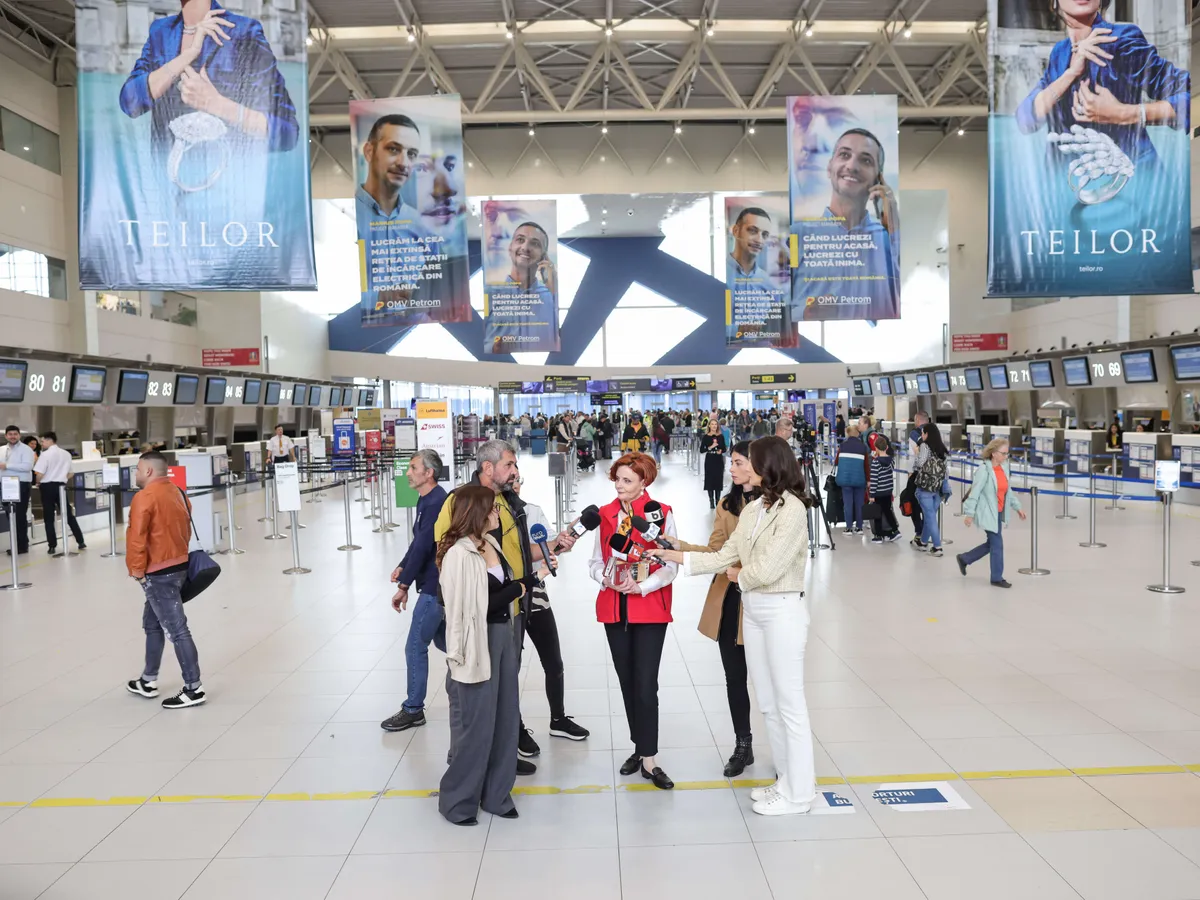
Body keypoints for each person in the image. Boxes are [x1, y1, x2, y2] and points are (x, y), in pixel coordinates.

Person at [649, 437, 814, 817]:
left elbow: (768, 569)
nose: (736, 469)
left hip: (782, 611)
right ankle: (786, 781)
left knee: (790, 705)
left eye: (745, 462)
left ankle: (801, 793)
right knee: (770, 705)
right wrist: (672, 554)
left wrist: (739, 573)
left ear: (767, 466)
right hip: (754, 611)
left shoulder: (792, 510)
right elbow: (725, 554)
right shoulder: (756, 508)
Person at [435, 440, 576, 776]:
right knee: (473, 691)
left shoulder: (507, 502)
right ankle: (465, 762)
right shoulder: (460, 501)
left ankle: (504, 753)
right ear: (488, 468)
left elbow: (518, 550)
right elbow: (446, 553)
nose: (516, 472)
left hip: (511, 607)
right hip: (478, 613)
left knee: (504, 686)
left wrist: (554, 546)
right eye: (510, 465)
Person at [438, 485, 547, 826]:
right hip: (476, 642)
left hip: (503, 634)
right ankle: (457, 801)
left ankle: (497, 794)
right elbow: (479, 604)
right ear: (476, 513)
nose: (497, 514)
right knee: (476, 727)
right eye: (492, 510)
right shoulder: (458, 554)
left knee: (504, 720)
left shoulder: (492, 544)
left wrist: (529, 578)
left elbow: (500, 588)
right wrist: (526, 585)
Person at [664, 441, 757, 776]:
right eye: (730, 461)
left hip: (763, 601)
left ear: (756, 465)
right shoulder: (727, 504)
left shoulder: (778, 505)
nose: (730, 468)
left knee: (769, 679)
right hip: (731, 600)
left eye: (737, 462)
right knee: (735, 677)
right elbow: (716, 551)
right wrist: (679, 547)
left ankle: (788, 753)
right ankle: (743, 744)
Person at [588, 452, 679, 790]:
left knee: (645, 683)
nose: (619, 485)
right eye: (617, 479)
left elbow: (671, 566)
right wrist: (605, 579)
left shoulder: (661, 515)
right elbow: (595, 562)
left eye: (627, 480)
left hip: (650, 607)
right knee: (627, 681)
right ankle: (639, 748)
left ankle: (650, 759)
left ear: (645, 482)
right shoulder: (605, 515)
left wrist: (641, 587)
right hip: (614, 607)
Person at [1016, 0, 1189, 166]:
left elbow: (1187, 94)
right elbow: (1025, 120)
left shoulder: (1121, 40)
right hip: (1066, 184)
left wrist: (1123, 113)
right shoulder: (1059, 53)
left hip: (1130, 180)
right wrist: (1070, 74)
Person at [119, 0, 299, 153]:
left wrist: (216, 104)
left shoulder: (243, 31)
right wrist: (188, 55)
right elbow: (130, 103)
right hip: (167, 184)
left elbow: (287, 133)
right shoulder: (160, 31)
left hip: (225, 184)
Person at [511, 466, 590, 750]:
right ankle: (516, 729)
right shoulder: (490, 514)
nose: (515, 483)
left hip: (537, 595)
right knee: (511, 668)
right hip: (507, 600)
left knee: (553, 663)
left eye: (518, 478)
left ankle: (558, 719)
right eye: (510, 476)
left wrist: (563, 541)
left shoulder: (532, 511)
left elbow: (551, 546)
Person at [789, 127, 900, 322]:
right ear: (829, 168)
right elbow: (772, 310)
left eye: (866, 160)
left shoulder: (887, 241)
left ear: (878, 178)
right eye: (844, 155)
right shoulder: (796, 236)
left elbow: (899, 299)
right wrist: (804, 313)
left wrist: (893, 224)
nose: (852, 165)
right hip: (812, 342)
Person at [125, 451, 205, 709]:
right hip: (180, 566)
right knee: (152, 622)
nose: (136, 474)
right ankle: (148, 680)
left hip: (158, 573)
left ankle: (194, 688)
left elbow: (136, 537)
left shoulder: (144, 497)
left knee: (177, 629)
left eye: (137, 469)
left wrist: (137, 570)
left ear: (148, 471)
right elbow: (186, 529)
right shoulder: (178, 492)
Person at [381, 450, 449, 733]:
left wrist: (405, 585)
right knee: (449, 644)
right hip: (436, 585)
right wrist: (403, 566)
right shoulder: (428, 499)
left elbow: (424, 547)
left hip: (435, 587)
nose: (408, 472)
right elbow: (418, 542)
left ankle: (413, 709)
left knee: (414, 647)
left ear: (428, 473)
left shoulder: (436, 502)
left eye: (412, 467)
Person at [957, 438, 1026, 589]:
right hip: (988, 512)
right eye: (1003, 453)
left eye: (1007, 453)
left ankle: (965, 558)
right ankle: (996, 577)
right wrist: (969, 514)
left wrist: (1017, 507)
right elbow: (975, 492)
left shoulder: (1004, 468)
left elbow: (1008, 490)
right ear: (994, 454)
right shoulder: (984, 470)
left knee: (992, 544)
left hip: (998, 512)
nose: (1006, 456)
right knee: (997, 544)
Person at [485, 221, 559, 353]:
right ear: (510, 248)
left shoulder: (549, 296)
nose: (525, 247)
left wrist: (554, 288)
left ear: (544, 256)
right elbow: (483, 339)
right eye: (520, 240)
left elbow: (556, 340)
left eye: (535, 243)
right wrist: (494, 347)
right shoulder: (490, 294)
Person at [34, 432, 86, 556]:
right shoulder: (66, 454)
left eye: (43, 441)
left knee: (49, 517)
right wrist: (63, 478)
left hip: (47, 487)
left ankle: (52, 546)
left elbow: (39, 473)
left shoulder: (45, 455)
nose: (42, 444)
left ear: (49, 440)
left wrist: (38, 483)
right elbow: (71, 473)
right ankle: (81, 541)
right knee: (68, 514)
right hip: (61, 487)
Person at [913, 423, 950, 557]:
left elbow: (920, 463)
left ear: (927, 434)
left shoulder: (924, 446)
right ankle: (923, 542)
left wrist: (916, 454)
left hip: (925, 487)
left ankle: (937, 546)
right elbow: (946, 471)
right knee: (930, 516)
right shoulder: (942, 449)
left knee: (930, 517)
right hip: (937, 487)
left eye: (923, 433)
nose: (922, 436)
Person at [0, 425, 35, 555]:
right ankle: (15, 545)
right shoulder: (2, 450)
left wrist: (7, 465)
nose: (13, 436)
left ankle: (22, 546)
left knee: (20, 516)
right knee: (10, 515)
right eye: (10, 434)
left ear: (19, 435)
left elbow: (27, 467)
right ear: (6, 436)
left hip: (20, 484)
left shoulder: (26, 450)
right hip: (5, 485)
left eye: (15, 434)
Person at [833, 424, 869, 534]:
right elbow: (866, 466)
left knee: (847, 504)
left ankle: (848, 527)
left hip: (846, 479)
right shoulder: (863, 447)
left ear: (848, 434)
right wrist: (868, 480)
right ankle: (859, 527)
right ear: (858, 434)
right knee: (859, 504)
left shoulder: (842, 446)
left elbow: (836, 462)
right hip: (859, 479)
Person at [868, 434, 901, 544]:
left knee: (877, 514)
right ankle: (895, 531)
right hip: (887, 491)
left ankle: (878, 535)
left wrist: (872, 495)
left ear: (876, 448)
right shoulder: (891, 461)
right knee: (888, 511)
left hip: (878, 492)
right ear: (887, 447)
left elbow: (874, 480)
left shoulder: (876, 462)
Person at [701, 419, 727, 508]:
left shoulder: (721, 436)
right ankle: (711, 501)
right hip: (709, 460)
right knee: (710, 479)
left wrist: (721, 450)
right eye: (712, 424)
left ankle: (718, 500)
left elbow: (724, 448)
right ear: (709, 426)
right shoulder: (705, 437)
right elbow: (701, 450)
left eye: (715, 424)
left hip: (718, 460)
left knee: (718, 479)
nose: (714, 426)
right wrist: (710, 447)